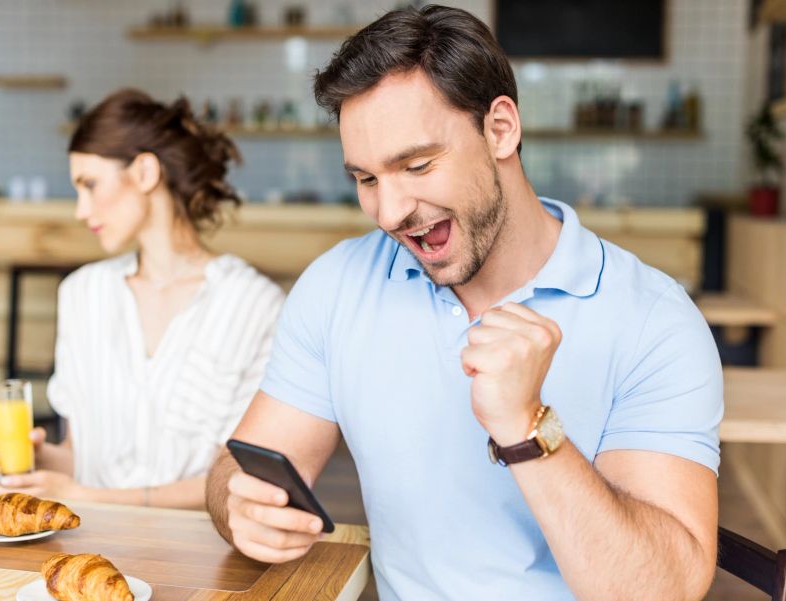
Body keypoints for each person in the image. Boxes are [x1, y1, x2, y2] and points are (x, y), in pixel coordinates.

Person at [205, 5, 725, 599]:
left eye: (417, 164)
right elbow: (239, 471)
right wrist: (239, 508)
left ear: (500, 129)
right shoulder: (337, 285)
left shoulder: (653, 320)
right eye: (367, 179)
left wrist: (527, 428)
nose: (391, 211)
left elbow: (662, 589)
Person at [0, 89, 284, 509]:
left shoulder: (254, 305)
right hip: (88, 552)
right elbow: (81, 460)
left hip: (202, 562)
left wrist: (88, 497)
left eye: (90, 185)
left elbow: (240, 481)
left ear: (145, 172)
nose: (80, 211)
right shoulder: (84, 294)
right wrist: (25, 459)